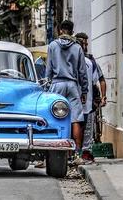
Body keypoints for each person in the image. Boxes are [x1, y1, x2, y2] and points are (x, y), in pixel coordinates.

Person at [45, 20, 88, 164]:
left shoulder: (52, 46)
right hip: (72, 84)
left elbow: (48, 70)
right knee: (76, 119)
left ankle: (52, 153)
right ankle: (77, 155)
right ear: (72, 31)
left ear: (60, 30)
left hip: (57, 84)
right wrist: (85, 90)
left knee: (54, 117)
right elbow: (82, 72)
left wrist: (47, 86)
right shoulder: (77, 47)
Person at [75, 32, 107, 164]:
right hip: (78, 99)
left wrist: (103, 97)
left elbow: (100, 80)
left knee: (87, 127)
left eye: (86, 43)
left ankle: (85, 152)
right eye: (83, 43)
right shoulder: (76, 60)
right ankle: (76, 152)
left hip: (89, 100)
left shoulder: (90, 61)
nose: (85, 46)